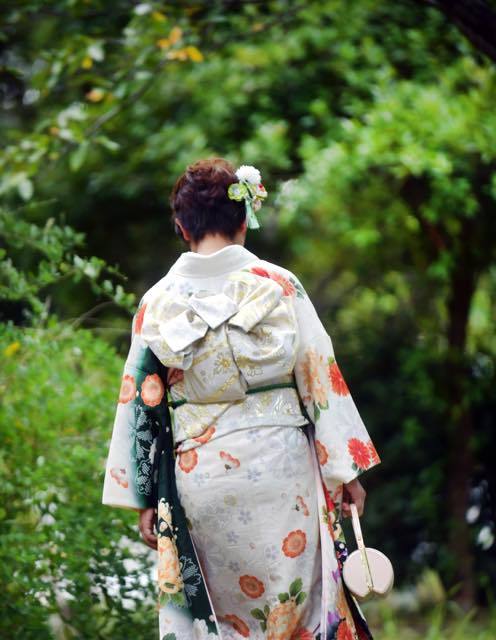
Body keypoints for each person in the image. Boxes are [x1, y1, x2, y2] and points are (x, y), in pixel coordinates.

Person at [102, 157, 382, 640]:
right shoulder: (278, 284)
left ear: (181, 225)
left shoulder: (157, 301)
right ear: (241, 218)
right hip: (282, 470)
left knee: (219, 618)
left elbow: (142, 399)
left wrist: (146, 496)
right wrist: (345, 470)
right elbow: (318, 372)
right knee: (296, 610)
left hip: (201, 478)